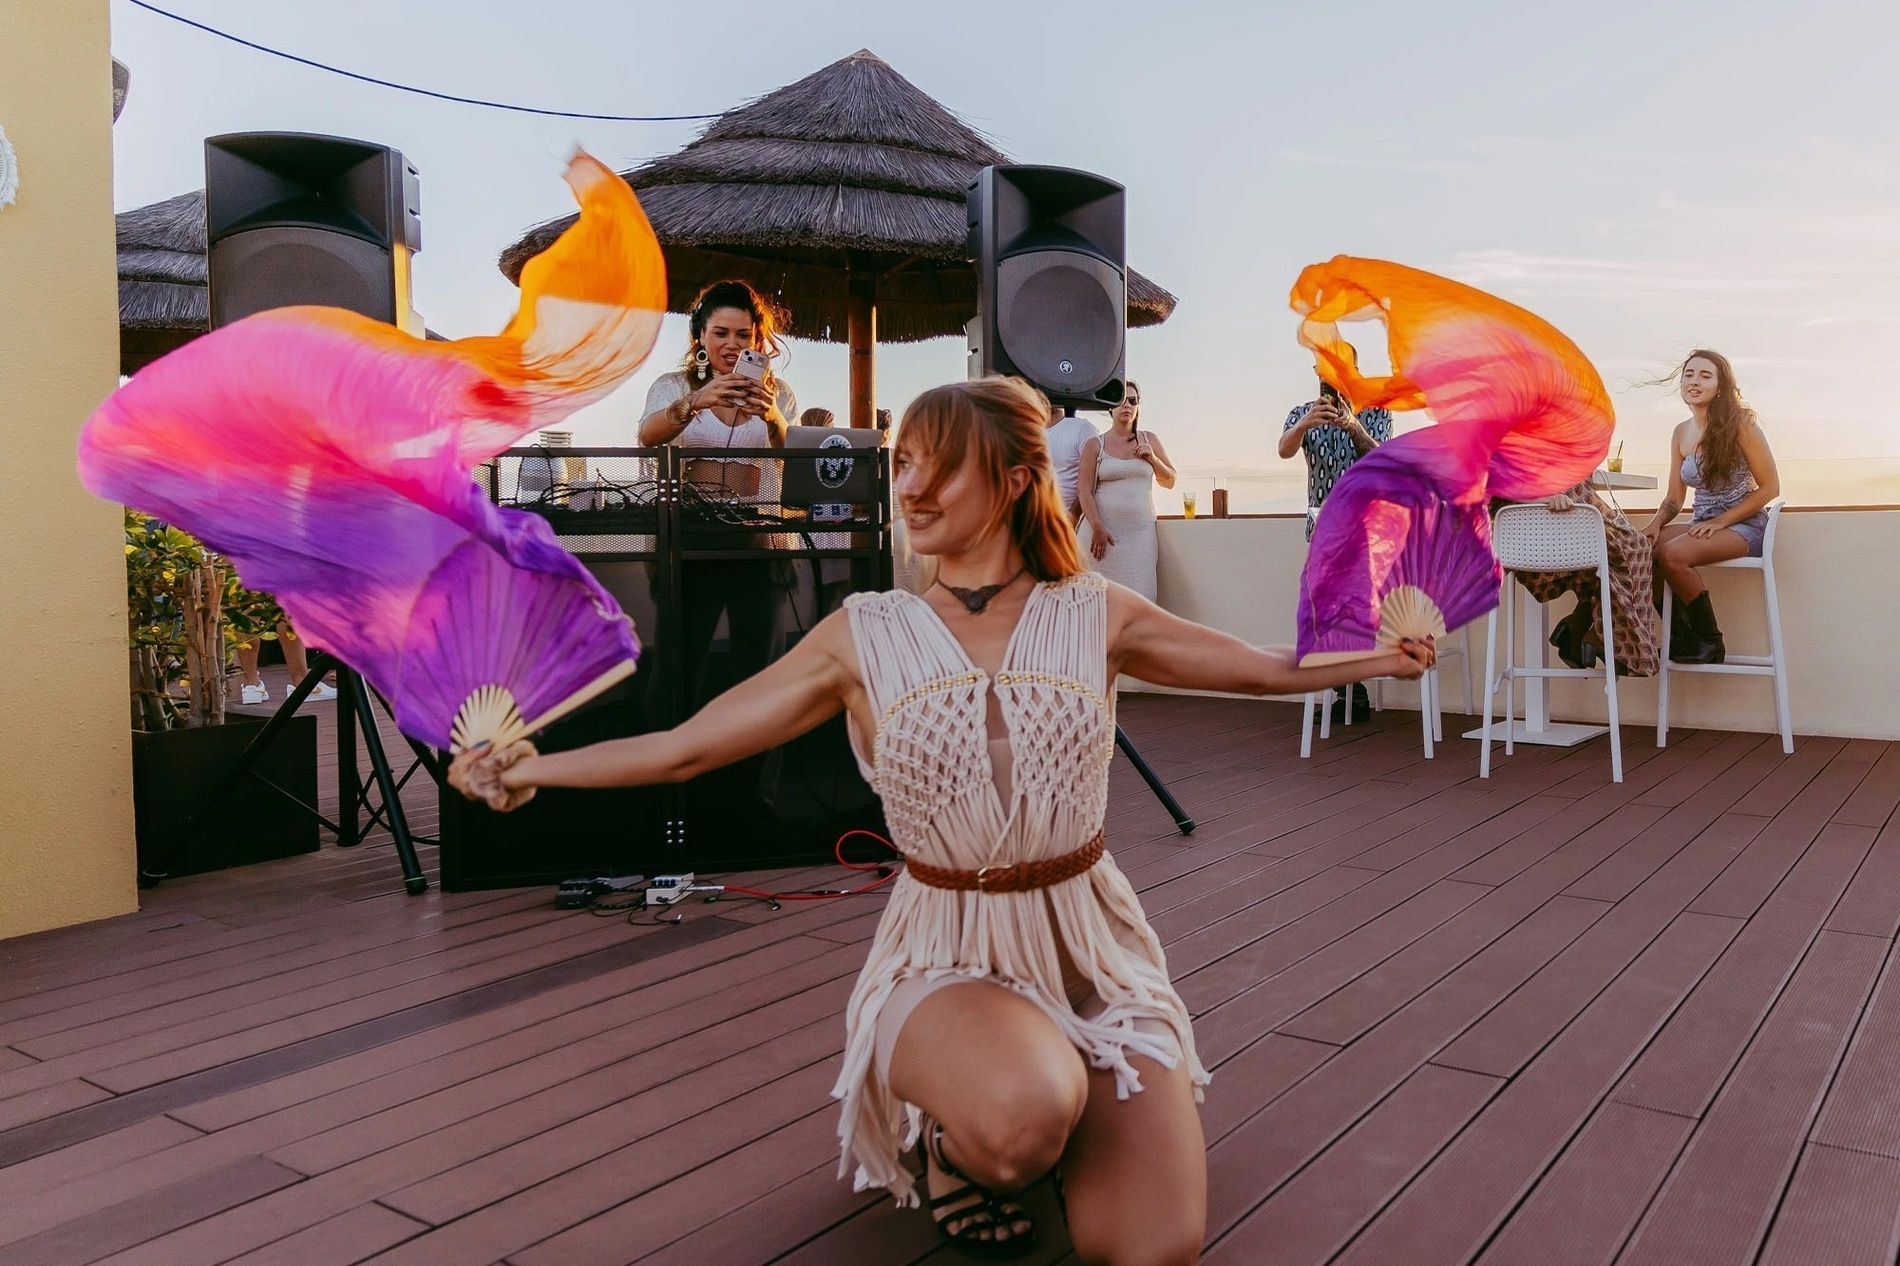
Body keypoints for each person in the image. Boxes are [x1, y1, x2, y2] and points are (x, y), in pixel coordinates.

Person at [449, 377, 1433, 1263]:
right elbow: (688, 744)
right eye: (905, 464)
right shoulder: (863, 635)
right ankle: (961, 1146)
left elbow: (1262, 665)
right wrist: (536, 770)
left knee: (1151, 1245)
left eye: (940, 467)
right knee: (1022, 1118)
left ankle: (1058, 1090)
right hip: (944, 955)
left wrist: (1384, 661)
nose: (910, 489)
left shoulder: (1098, 613)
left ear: (1010, 481)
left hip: (1090, 950)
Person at [637, 280, 799, 707]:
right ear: (700, 337)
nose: (731, 345)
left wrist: (772, 416)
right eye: (720, 333)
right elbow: (647, 436)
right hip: (688, 544)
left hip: (759, 544)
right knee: (677, 673)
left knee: (762, 677)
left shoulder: (778, 393)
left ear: (757, 339)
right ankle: (670, 767)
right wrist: (696, 401)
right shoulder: (675, 385)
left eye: (742, 335)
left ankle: (757, 773)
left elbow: (791, 457)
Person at [1641, 349, 1780, 664]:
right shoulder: (1680, 432)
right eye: (1689, 374)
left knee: (1671, 554)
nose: (1694, 381)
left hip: (1744, 526)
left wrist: (1722, 522)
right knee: (1638, 548)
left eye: (1705, 376)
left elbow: (1771, 487)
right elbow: (1675, 498)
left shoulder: (1740, 424)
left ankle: (1709, 641)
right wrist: (1655, 524)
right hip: (1701, 523)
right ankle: (1680, 637)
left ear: (1720, 386)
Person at [1280, 380, 1393, 720]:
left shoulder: (1376, 411)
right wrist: (1304, 425)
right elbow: (1284, 449)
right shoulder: (1303, 412)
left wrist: (1353, 426)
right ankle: (1347, 689)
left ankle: (1350, 686)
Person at [1512, 485, 1660, 677]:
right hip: (1533, 531)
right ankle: (1607, 641)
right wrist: (1544, 497)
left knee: (1600, 562)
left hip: (1537, 534)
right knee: (1631, 547)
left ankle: (1579, 630)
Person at [1077, 381, 1175, 602]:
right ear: (1110, 407)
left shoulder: (1150, 439)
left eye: (1132, 401)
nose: (1127, 406)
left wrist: (1153, 459)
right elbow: (1084, 490)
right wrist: (1098, 527)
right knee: (1097, 602)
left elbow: (1170, 481)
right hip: (1100, 539)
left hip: (1139, 537)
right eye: (1120, 401)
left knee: (1143, 599)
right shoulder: (1095, 444)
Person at [1044, 397, 1099, 519]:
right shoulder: (1028, 431)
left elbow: (1094, 478)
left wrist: (1072, 517)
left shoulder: (1082, 428)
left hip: (1066, 520)